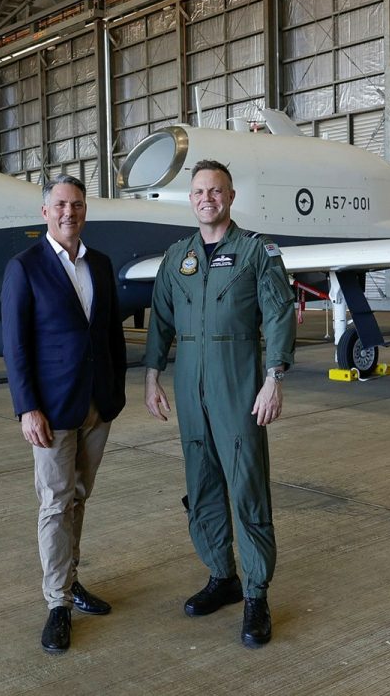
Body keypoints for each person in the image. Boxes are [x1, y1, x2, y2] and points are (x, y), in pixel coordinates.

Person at [142, 159, 296, 649]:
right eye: (199, 192)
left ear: (229, 197)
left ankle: (256, 593)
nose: (207, 198)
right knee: (202, 482)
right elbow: (160, 319)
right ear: (191, 200)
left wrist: (274, 377)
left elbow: (278, 312)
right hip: (189, 381)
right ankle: (221, 576)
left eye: (216, 191)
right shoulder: (178, 256)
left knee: (246, 485)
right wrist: (151, 376)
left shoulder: (256, 251)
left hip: (238, 379)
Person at [1, 175, 127, 654]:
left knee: (78, 498)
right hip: (50, 411)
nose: (68, 212)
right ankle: (57, 603)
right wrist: (26, 407)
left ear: (84, 211)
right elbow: (15, 346)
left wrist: (115, 391)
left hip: (97, 405)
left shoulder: (100, 263)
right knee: (55, 504)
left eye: (76, 205)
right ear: (44, 212)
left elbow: (110, 335)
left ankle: (71, 582)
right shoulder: (25, 267)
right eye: (59, 205)